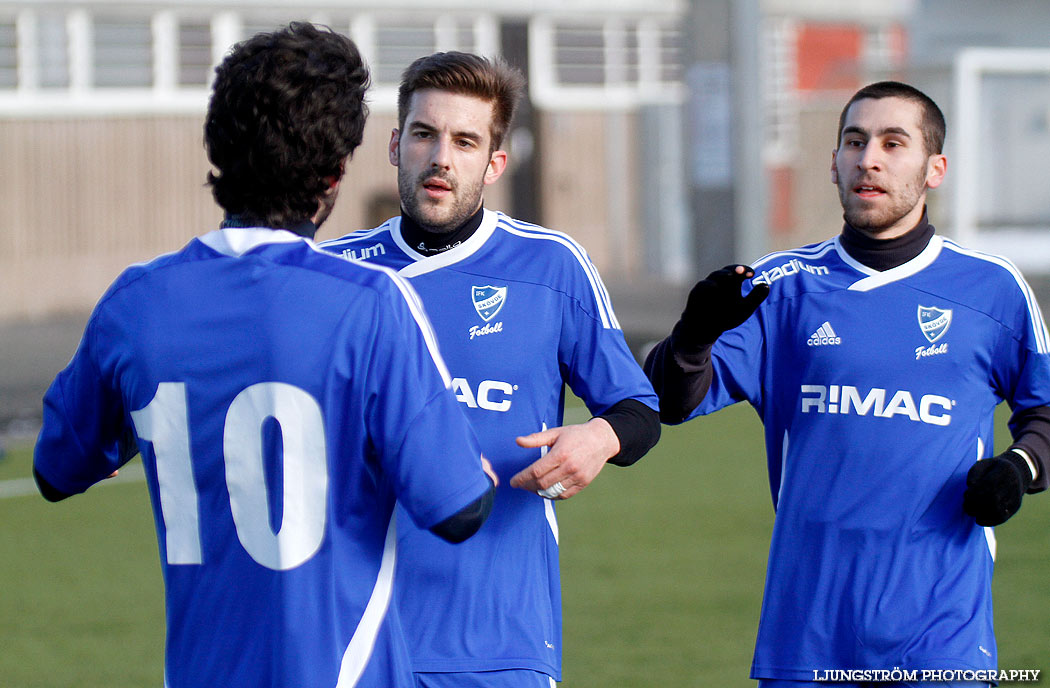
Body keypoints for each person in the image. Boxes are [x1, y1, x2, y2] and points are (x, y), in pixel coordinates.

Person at [32, 23, 497, 688]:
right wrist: (471, 468)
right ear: (334, 173)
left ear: (218, 147)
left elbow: (56, 468)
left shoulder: (137, 303)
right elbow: (457, 509)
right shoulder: (369, 303)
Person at [644, 81, 1050, 686]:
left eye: (893, 142)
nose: (870, 158)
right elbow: (673, 401)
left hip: (943, 639)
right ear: (833, 163)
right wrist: (694, 335)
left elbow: (1043, 413)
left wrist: (1019, 469)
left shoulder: (992, 289)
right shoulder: (780, 286)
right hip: (807, 635)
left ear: (935, 168)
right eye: (854, 141)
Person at [321, 51, 660, 687]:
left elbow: (639, 412)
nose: (441, 157)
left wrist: (598, 438)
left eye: (465, 141)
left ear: (494, 162)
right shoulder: (336, 272)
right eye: (424, 134)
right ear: (396, 145)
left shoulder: (551, 267)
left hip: (501, 642)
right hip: (353, 640)